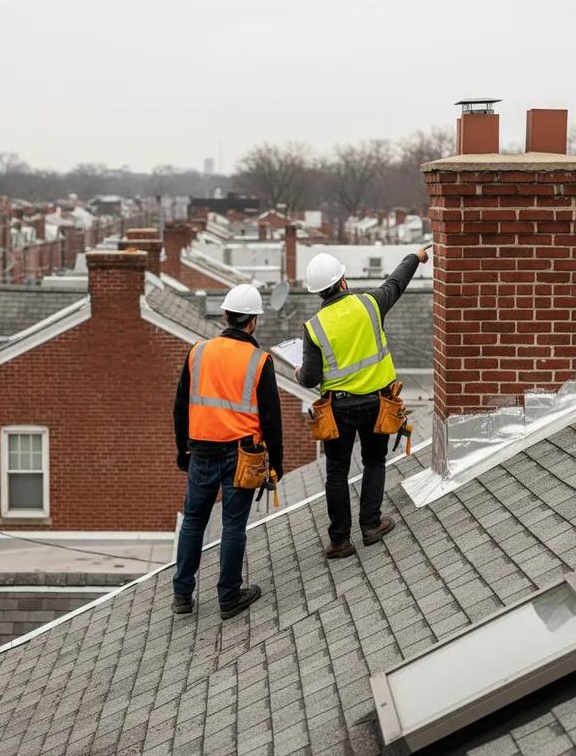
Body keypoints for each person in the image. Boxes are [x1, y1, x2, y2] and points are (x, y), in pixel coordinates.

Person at [296, 247, 430, 556]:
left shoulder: (314, 327)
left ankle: (340, 541)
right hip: (377, 404)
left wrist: (298, 371)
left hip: (338, 410)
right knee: (374, 461)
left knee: (336, 473)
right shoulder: (369, 305)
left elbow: (310, 379)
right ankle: (370, 525)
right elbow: (396, 282)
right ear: (342, 281)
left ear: (319, 292)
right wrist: (415, 257)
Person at [172, 283, 283, 619]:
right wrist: (274, 466)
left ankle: (182, 596)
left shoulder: (198, 352)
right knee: (233, 526)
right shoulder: (259, 361)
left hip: (201, 452)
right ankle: (229, 598)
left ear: (225, 315)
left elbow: (180, 408)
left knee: (193, 522)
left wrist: (182, 450)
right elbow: (272, 420)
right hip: (241, 456)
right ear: (252, 322)